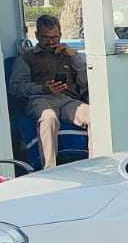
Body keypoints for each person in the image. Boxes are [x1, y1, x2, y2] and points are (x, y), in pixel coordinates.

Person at [9, 15, 89, 168]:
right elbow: (16, 87)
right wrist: (42, 88)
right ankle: (49, 169)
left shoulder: (69, 55)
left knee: (93, 116)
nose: (51, 42)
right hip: (41, 99)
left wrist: (73, 57)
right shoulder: (27, 57)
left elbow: (86, 81)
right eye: (46, 38)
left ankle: (95, 162)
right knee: (49, 118)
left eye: (55, 37)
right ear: (37, 35)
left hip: (68, 100)